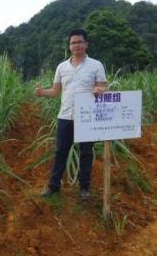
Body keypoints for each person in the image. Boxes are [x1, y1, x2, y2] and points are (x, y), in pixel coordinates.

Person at [35, 29, 108, 200]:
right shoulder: (62, 67)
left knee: (86, 152)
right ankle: (54, 186)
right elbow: (55, 91)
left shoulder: (96, 65)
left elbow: (104, 87)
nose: (77, 45)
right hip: (65, 116)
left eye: (80, 42)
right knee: (60, 151)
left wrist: (99, 90)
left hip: (86, 116)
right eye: (73, 42)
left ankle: (84, 188)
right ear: (69, 46)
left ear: (86, 44)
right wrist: (41, 92)